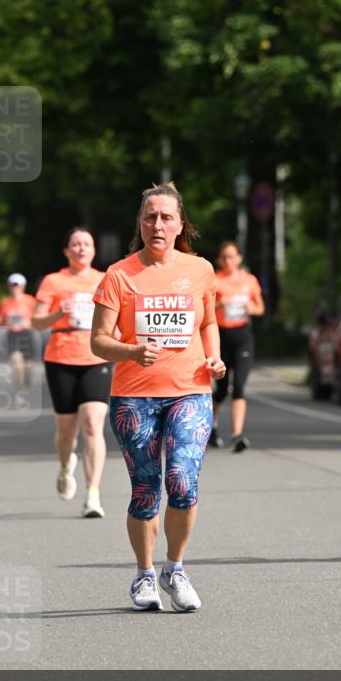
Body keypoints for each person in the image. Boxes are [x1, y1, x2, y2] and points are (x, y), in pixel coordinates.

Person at [91, 182, 226, 612]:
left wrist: (215, 357)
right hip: (134, 396)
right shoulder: (119, 275)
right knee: (146, 489)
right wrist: (132, 350)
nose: (158, 225)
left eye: (166, 217)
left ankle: (176, 568)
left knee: (182, 482)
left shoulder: (200, 269)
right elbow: (98, 341)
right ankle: (145, 575)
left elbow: (208, 322)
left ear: (180, 223)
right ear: (140, 223)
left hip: (190, 389)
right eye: (150, 217)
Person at [32, 228, 109, 518]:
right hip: (60, 357)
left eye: (86, 244)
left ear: (93, 250)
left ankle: (93, 495)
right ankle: (66, 467)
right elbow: (36, 322)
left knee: (92, 425)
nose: (81, 248)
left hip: (95, 357)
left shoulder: (104, 279)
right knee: (66, 431)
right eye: (75, 244)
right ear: (67, 251)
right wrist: (57, 312)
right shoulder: (54, 281)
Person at [210, 240, 265, 451]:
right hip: (222, 337)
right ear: (219, 260)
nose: (228, 261)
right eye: (224, 257)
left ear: (239, 258)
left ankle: (237, 435)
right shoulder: (215, 280)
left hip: (242, 337)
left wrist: (251, 307)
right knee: (221, 390)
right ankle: (212, 427)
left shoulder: (249, 280)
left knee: (240, 387)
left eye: (232, 256)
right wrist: (219, 304)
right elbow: (203, 310)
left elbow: (260, 308)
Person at [0, 274, 36, 396]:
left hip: (26, 335)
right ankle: (19, 393)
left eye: (17, 285)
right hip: (12, 336)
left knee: (28, 368)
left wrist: (29, 323)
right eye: (13, 285)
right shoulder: (5, 303)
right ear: (9, 287)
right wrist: (5, 323)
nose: (15, 288)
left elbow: (39, 318)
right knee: (17, 364)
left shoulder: (30, 300)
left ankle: (25, 385)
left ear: (23, 286)